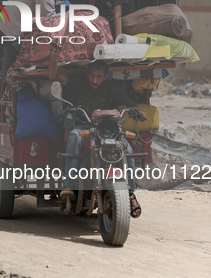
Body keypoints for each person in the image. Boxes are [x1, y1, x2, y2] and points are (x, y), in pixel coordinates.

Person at [49, 42, 145, 218]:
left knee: (127, 149)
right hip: (82, 126)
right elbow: (54, 76)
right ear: (87, 74)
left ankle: (130, 192)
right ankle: (69, 185)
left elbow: (127, 101)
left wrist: (137, 111)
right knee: (74, 137)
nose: (94, 80)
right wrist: (54, 57)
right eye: (92, 75)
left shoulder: (111, 88)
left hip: (107, 129)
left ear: (105, 76)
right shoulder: (77, 82)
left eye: (98, 76)